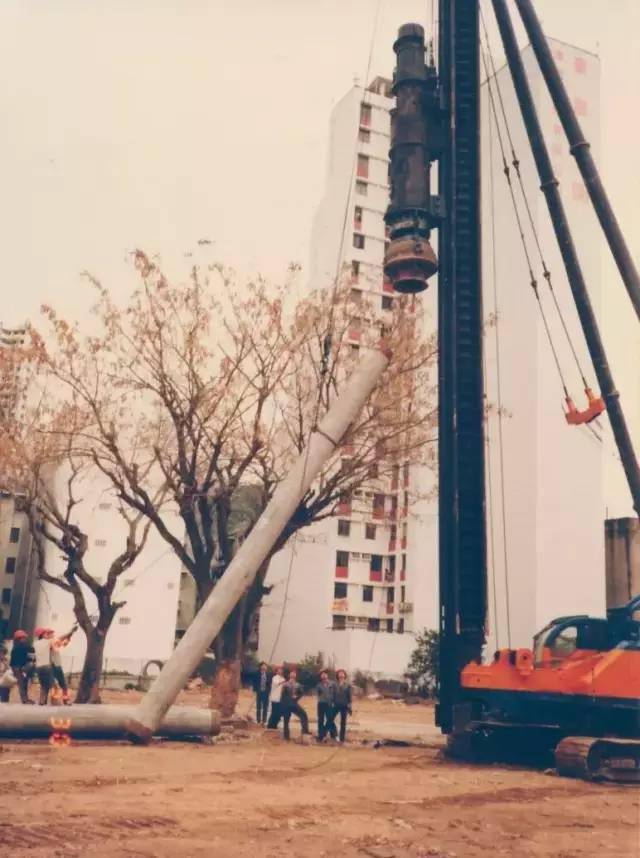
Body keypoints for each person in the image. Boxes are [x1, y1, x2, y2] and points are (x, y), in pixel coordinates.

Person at [49, 624, 77, 705]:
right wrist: (71, 632)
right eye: (51, 633)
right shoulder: (49, 642)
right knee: (54, 685)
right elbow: (61, 638)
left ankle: (65, 699)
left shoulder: (54, 642)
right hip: (52, 666)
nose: (52, 634)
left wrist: (70, 634)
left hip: (56, 665)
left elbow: (64, 642)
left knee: (63, 684)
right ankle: (55, 701)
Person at [280, 668, 310, 741]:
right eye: (291, 673)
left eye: (294, 673)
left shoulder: (298, 684)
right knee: (286, 720)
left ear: (296, 675)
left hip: (294, 704)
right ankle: (286, 737)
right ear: (289, 675)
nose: (293, 674)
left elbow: (301, 693)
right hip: (286, 704)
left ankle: (305, 732)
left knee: (304, 714)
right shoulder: (285, 684)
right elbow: (282, 695)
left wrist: (296, 698)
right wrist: (282, 705)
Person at [9, 629, 35, 704]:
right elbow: (30, 657)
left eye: (24, 638)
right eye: (23, 638)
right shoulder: (23, 647)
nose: (24, 639)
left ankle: (26, 699)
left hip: (20, 668)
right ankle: (24, 699)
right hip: (19, 668)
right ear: (19, 638)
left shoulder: (16, 647)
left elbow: (12, 660)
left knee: (24, 683)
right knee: (22, 684)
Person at [33, 627, 54, 706]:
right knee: (49, 684)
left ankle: (43, 700)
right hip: (46, 666)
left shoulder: (35, 643)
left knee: (43, 684)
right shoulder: (47, 642)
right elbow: (55, 644)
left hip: (38, 667)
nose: (47, 635)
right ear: (42, 635)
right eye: (46, 633)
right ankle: (46, 700)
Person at [316, 669, 337, 742]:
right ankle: (320, 735)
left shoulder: (333, 683)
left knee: (330, 719)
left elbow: (335, 694)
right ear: (320, 676)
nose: (324, 675)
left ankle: (333, 735)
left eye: (325, 674)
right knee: (320, 720)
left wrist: (334, 702)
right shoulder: (318, 684)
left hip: (329, 703)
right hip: (321, 704)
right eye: (322, 674)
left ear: (327, 675)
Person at [334, 668, 353, 743]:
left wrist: (350, 707)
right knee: (330, 719)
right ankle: (334, 735)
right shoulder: (334, 684)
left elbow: (350, 697)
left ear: (345, 675)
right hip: (335, 705)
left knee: (343, 722)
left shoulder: (348, 685)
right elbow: (332, 694)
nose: (341, 674)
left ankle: (342, 739)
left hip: (344, 705)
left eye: (342, 673)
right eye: (340, 673)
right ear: (337, 675)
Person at [266, 665, 285, 730]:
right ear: (276, 671)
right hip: (274, 698)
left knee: (279, 713)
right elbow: (277, 683)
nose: (280, 670)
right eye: (279, 669)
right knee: (274, 712)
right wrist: (283, 681)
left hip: (280, 698)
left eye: (281, 669)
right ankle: (270, 725)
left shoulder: (283, 678)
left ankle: (275, 725)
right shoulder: (274, 678)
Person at [253, 662, 272, 726]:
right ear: (260, 667)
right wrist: (255, 690)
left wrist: (269, 691)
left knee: (265, 707)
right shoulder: (257, 673)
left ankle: (264, 721)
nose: (264, 667)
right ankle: (258, 720)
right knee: (258, 707)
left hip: (266, 693)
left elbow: (270, 684)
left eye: (265, 666)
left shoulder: (268, 674)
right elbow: (254, 682)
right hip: (259, 692)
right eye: (263, 666)